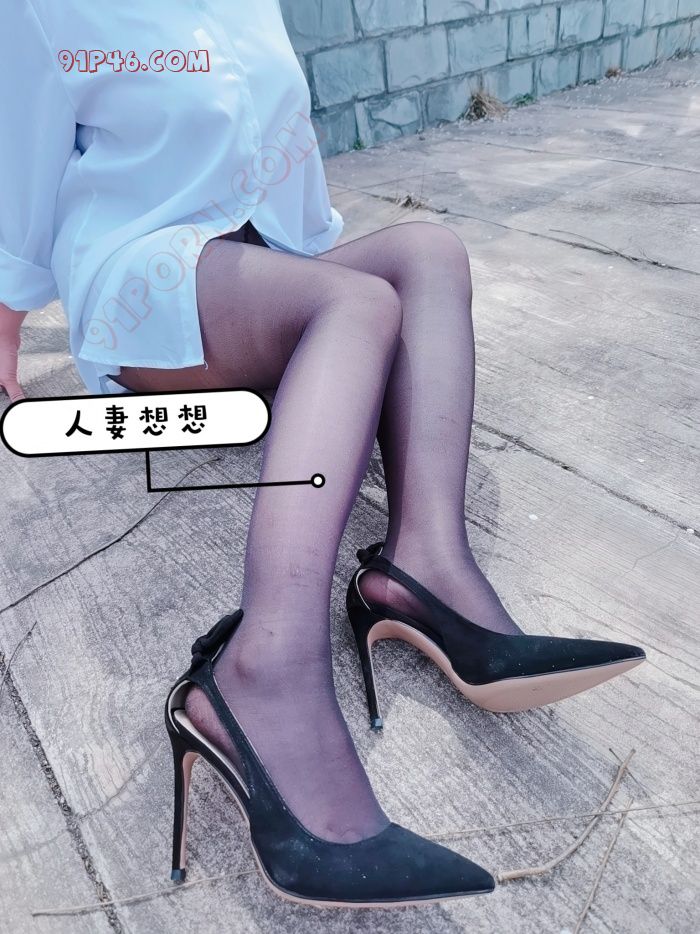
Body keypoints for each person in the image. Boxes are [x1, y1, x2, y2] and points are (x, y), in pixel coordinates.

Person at [1, 1, 645, 908]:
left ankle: (424, 568)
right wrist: (8, 326)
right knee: (360, 305)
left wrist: (311, 289)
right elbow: (21, 166)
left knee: (426, 252)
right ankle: (260, 671)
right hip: (144, 287)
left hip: (251, 278)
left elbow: (283, 146)